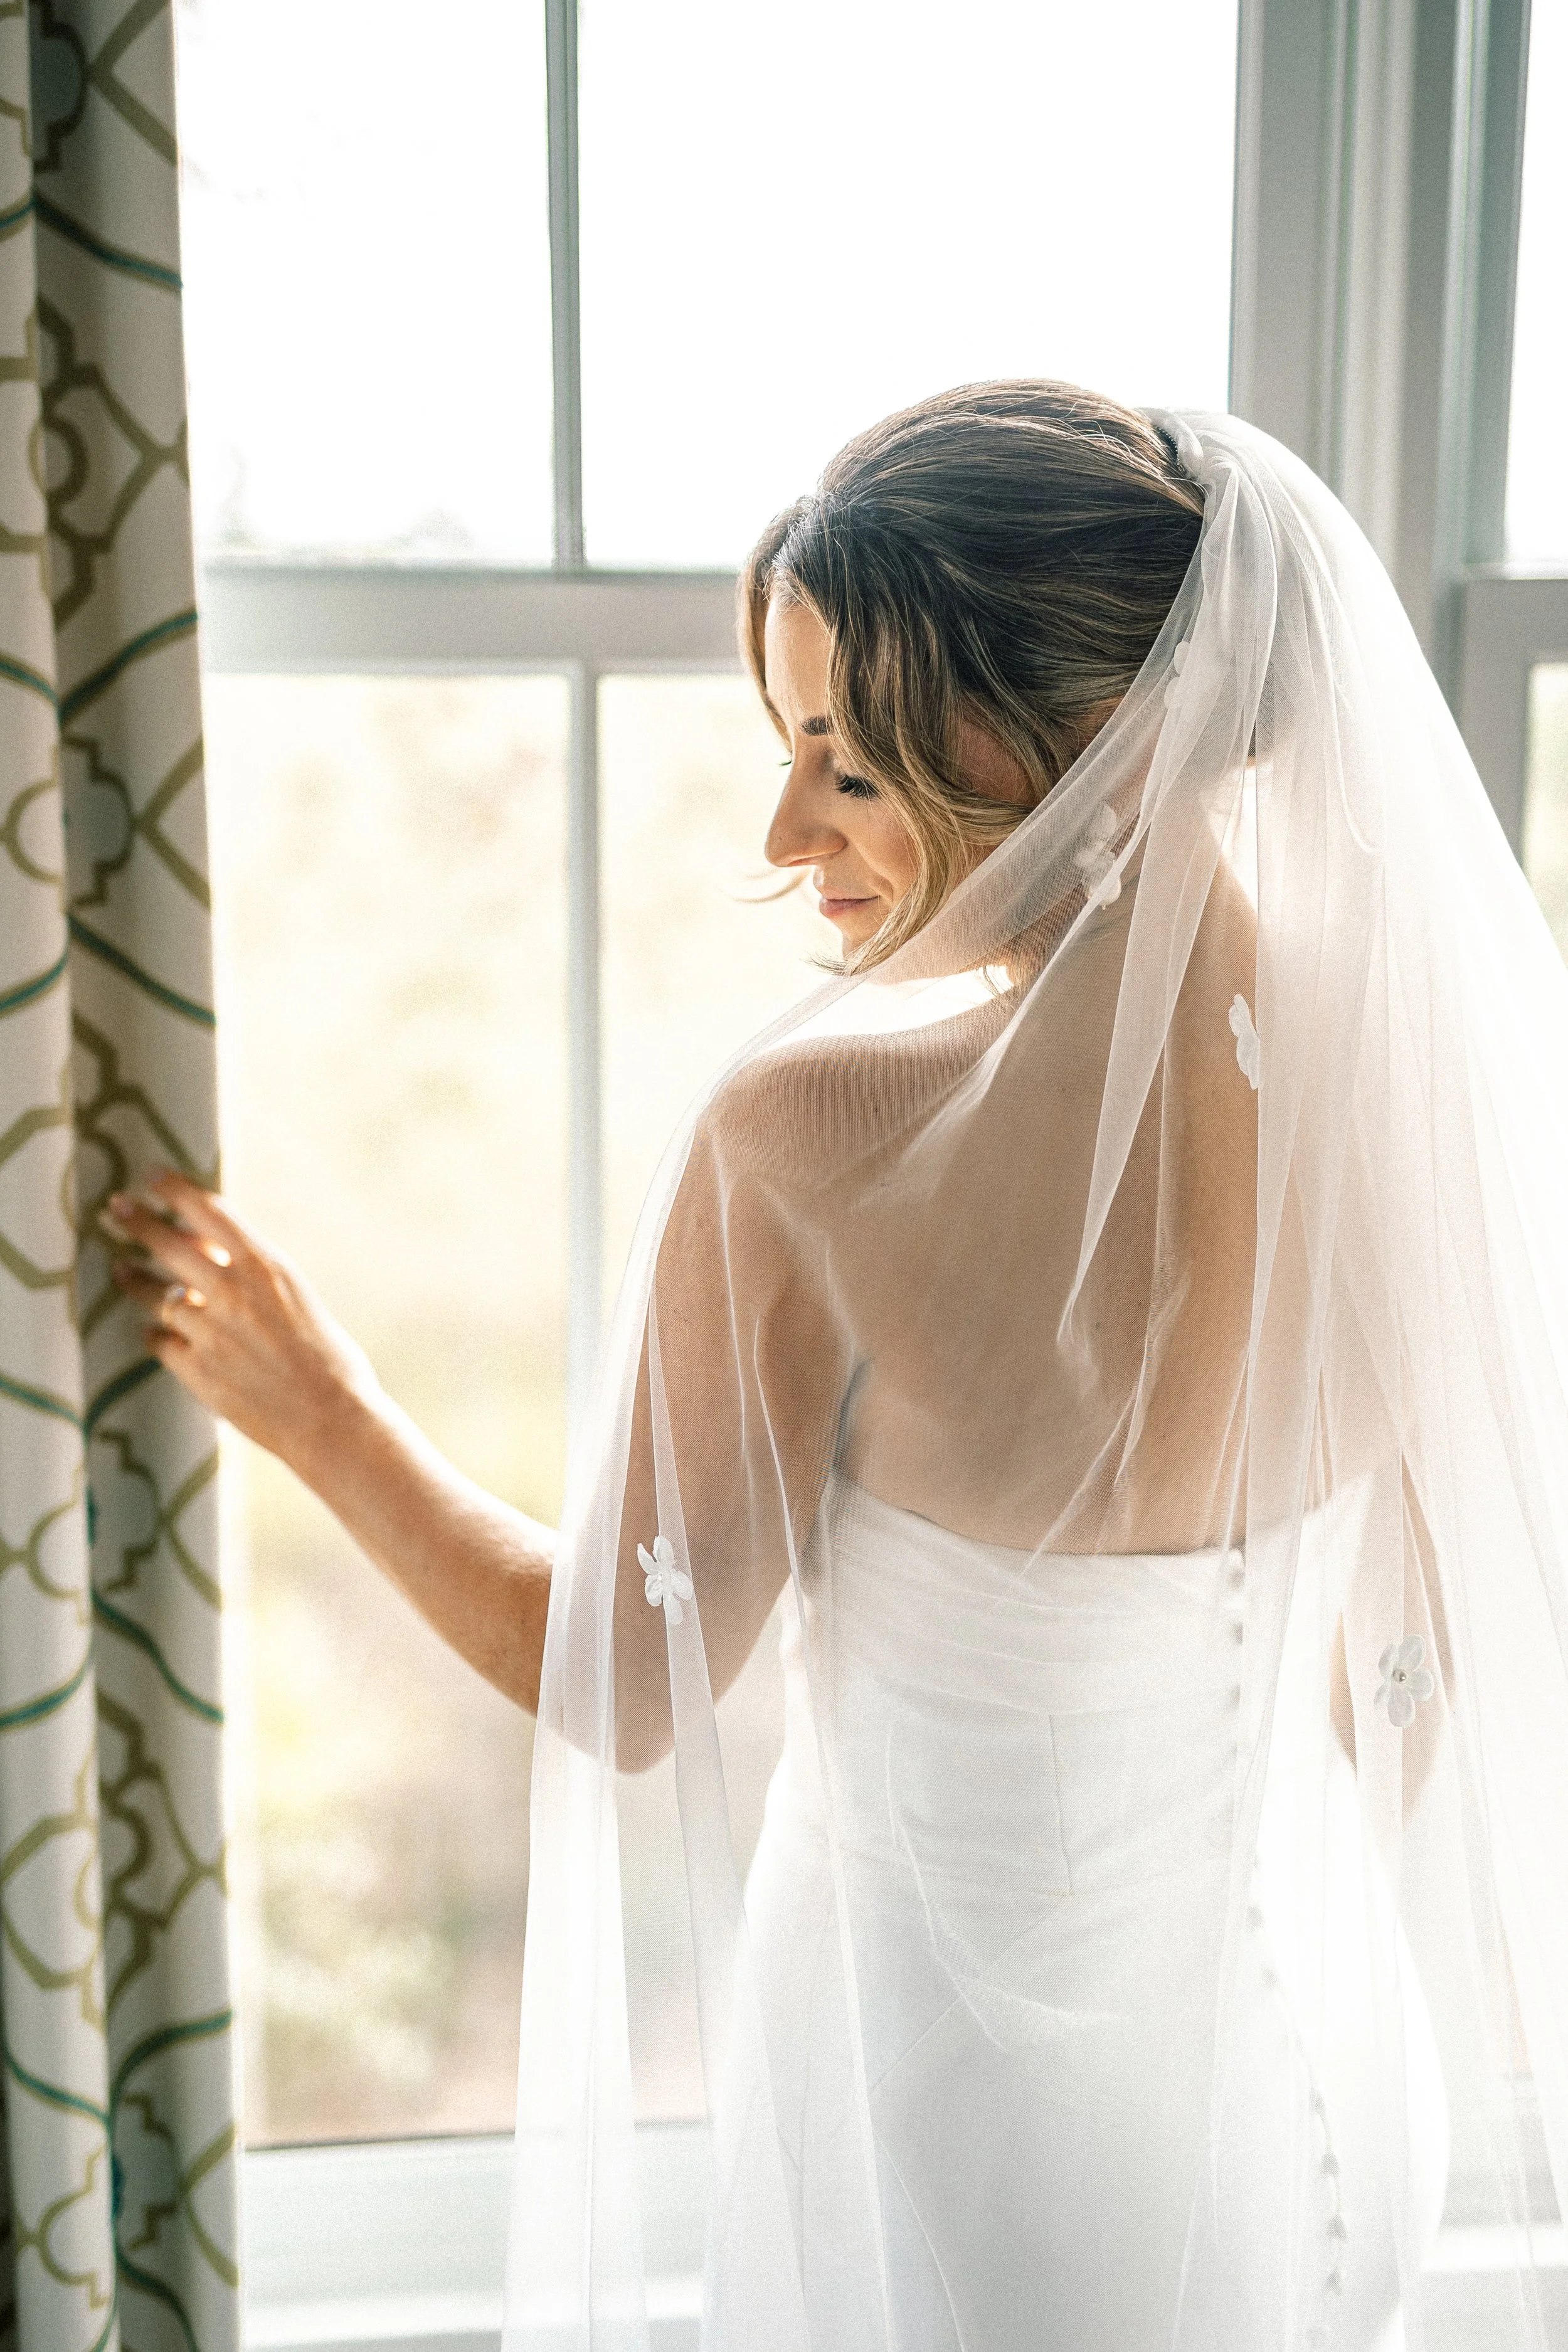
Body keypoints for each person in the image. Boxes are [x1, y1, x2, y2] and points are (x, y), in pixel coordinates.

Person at [110, 385, 1568, 2351]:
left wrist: (318, 1407)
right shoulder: (1417, 1065)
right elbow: (1417, 1637)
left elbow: (624, 1684)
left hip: (975, 2118)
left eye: (846, 762)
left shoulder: (817, 1138)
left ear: (1070, 748)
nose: (786, 831)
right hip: (1317, 2063)